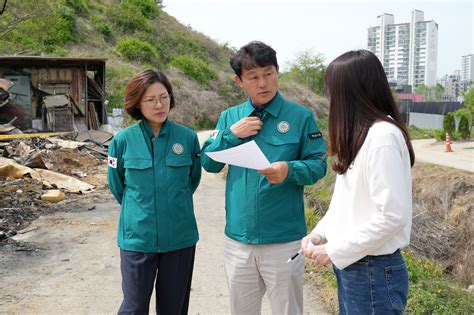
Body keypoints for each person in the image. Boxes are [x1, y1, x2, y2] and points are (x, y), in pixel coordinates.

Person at [201, 41, 327, 314]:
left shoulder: (300, 117)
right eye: (254, 77)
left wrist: (289, 171)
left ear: (278, 72)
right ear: (239, 81)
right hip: (239, 242)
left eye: (268, 74)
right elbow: (208, 164)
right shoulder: (230, 117)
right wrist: (231, 134)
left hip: (282, 241)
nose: (263, 83)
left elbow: (318, 166)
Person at [301, 50, 414, 314]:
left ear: (351, 93)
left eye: (333, 91)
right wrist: (319, 233)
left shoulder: (381, 137)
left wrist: (336, 249)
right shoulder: (363, 135)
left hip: (372, 269)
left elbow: (392, 216)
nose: (331, 100)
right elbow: (345, 205)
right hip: (358, 266)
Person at [107, 69, 201, 314]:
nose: (159, 105)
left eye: (164, 97)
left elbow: (192, 181)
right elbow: (118, 187)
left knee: (173, 308)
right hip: (138, 239)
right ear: (138, 103)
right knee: (134, 307)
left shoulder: (187, 138)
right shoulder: (122, 141)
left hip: (179, 238)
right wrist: (141, 211)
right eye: (151, 100)